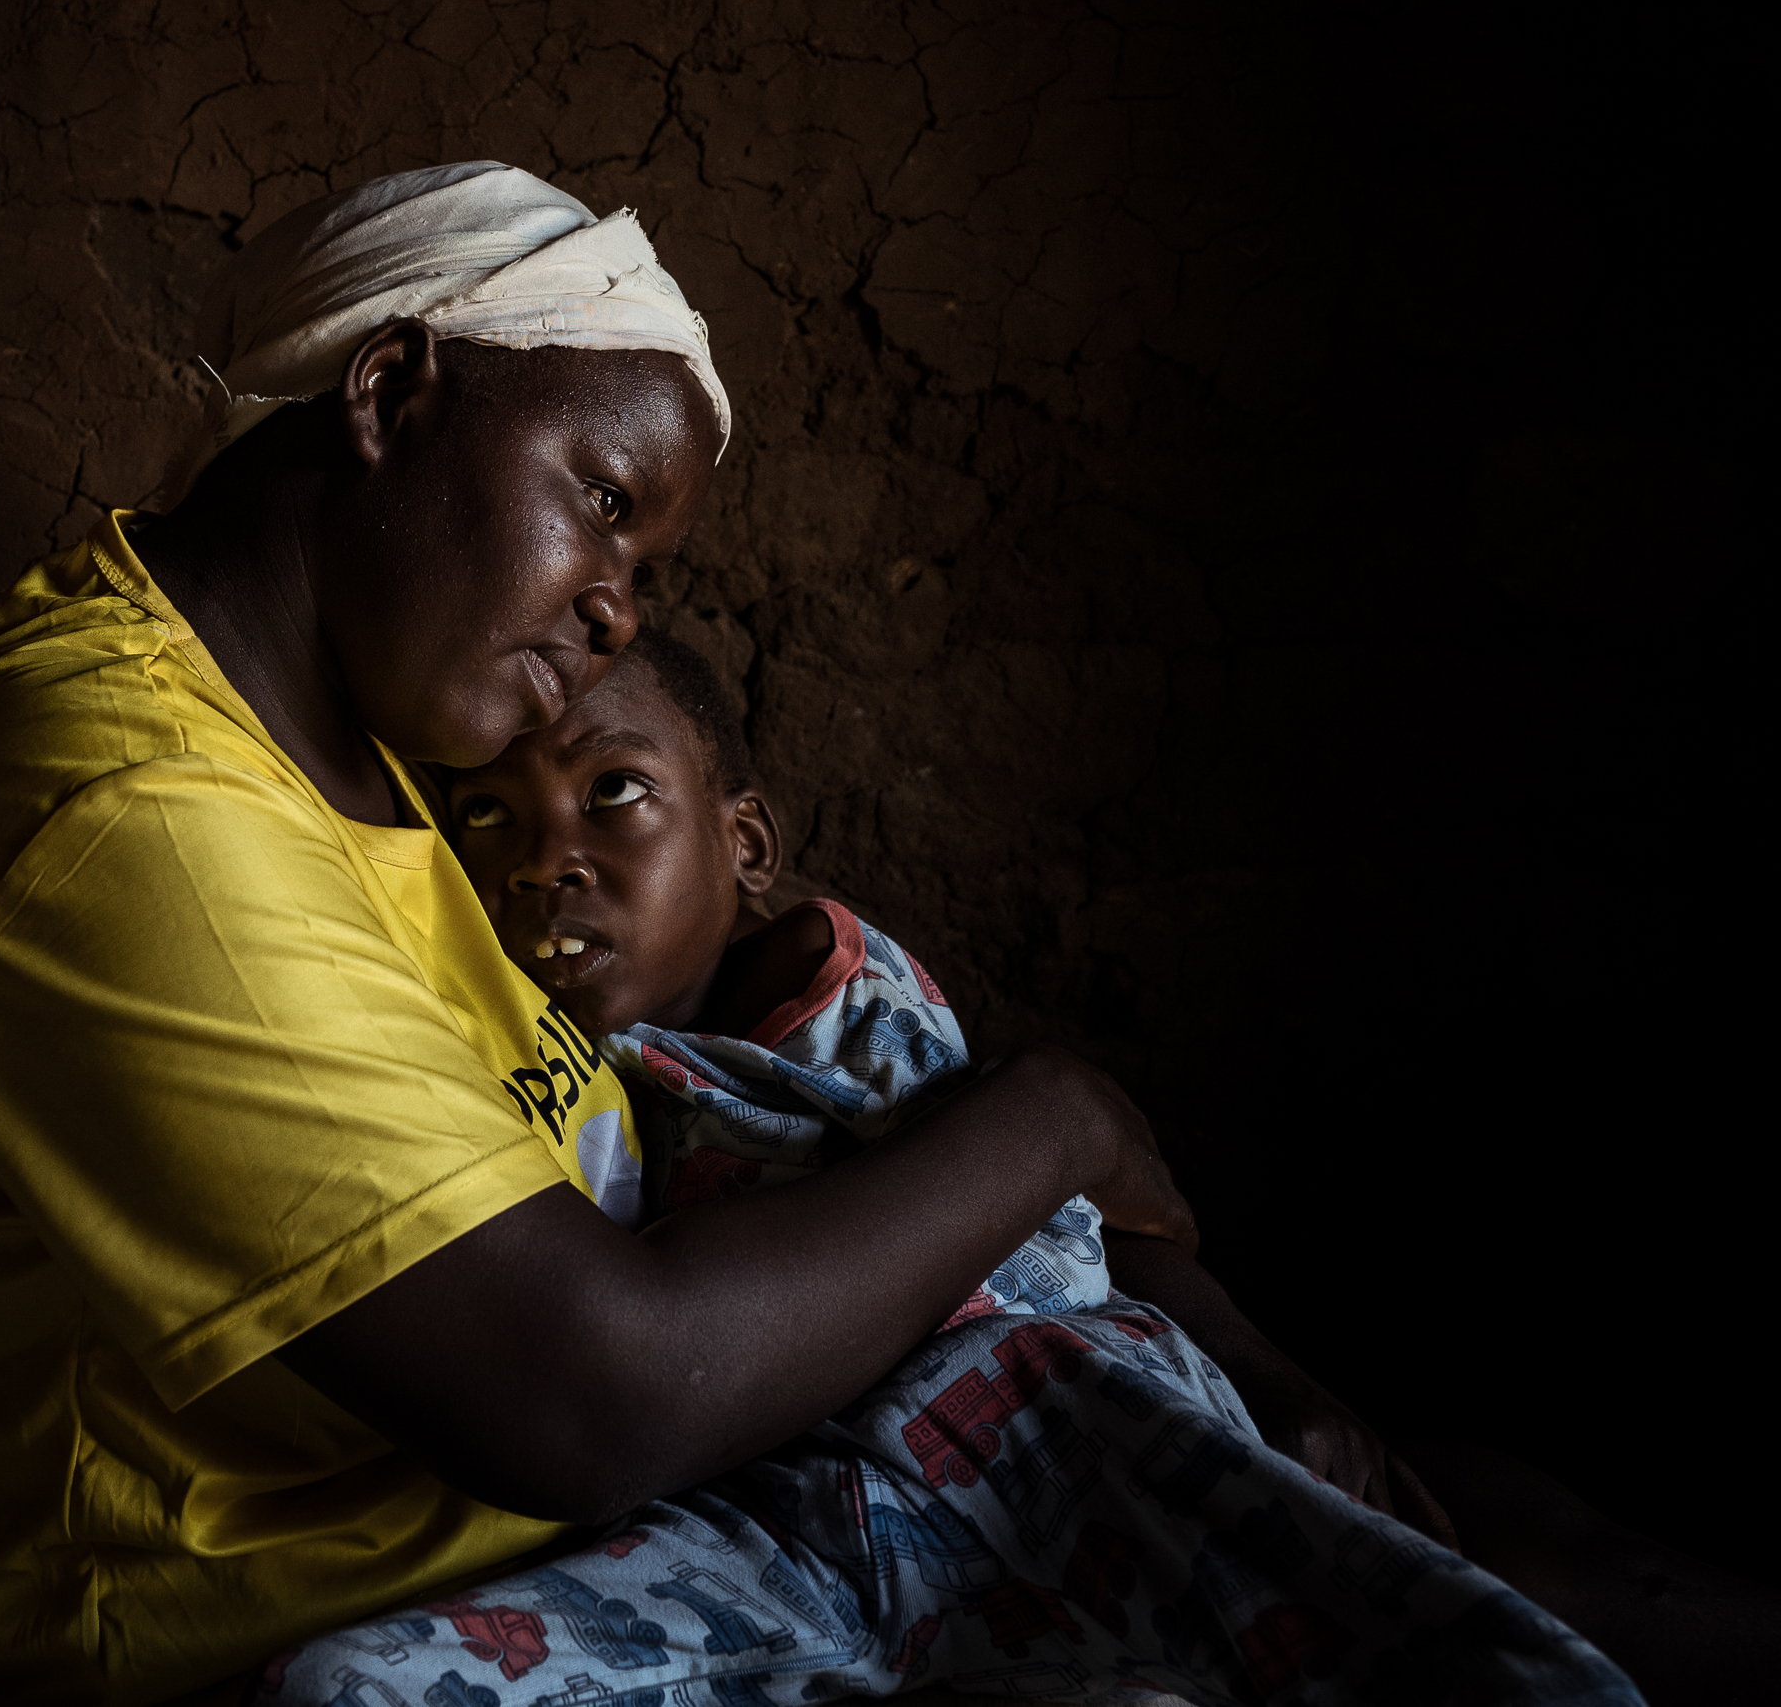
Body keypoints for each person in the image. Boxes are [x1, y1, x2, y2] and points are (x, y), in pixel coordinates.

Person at [0, 162, 1197, 1704]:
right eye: (604, 502)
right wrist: (1056, 1118)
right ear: (390, 396)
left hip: (637, 1576)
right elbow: (597, 1399)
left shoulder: (380, 747)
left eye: (643, 572)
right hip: (287, 1664)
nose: (618, 611)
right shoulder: (122, 811)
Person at [263, 632, 1637, 1705]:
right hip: (784, 1531)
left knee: (1443, 1652)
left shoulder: (836, 996)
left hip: (1045, 1441)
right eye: (483, 820)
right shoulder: (525, 1068)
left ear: (747, 845)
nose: (543, 862)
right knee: (345, 1686)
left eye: (611, 791)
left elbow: (1098, 1228)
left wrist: (1264, 1377)